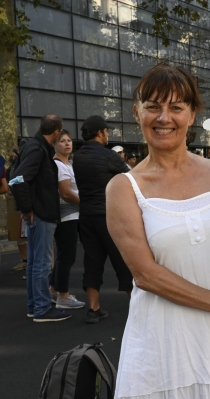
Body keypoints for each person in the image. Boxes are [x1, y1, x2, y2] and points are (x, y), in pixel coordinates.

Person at [106, 64, 210, 399]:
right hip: (165, 348)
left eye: (176, 107)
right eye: (153, 106)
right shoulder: (123, 188)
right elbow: (145, 274)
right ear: (136, 113)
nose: (163, 117)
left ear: (192, 114)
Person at [73, 114, 132, 324]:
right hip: (109, 215)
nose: (108, 135)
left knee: (92, 260)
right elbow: (131, 177)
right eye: (107, 131)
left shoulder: (77, 157)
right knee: (122, 259)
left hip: (86, 215)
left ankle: (93, 308)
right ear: (100, 133)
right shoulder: (108, 156)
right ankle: (136, 306)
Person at [11, 115, 70, 322]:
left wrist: (27, 208)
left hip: (38, 212)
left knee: (36, 263)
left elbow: (16, 176)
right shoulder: (37, 149)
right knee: (42, 264)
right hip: (41, 213)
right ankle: (42, 309)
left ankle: (35, 306)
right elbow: (17, 179)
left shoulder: (33, 147)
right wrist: (28, 208)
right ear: (55, 133)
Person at [49, 130, 85, 310]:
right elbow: (65, 193)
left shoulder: (68, 164)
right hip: (66, 215)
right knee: (66, 256)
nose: (67, 144)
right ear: (55, 145)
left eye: (69, 140)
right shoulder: (59, 165)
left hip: (72, 214)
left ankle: (54, 289)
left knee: (65, 255)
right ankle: (63, 296)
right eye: (62, 141)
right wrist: (86, 203)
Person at [7, 147, 29, 272]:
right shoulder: (13, 168)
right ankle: (26, 260)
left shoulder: (23, 166)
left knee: (27, 234)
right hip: (16, 203)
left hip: (23, 203)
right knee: (19, 234)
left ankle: (29, 262)